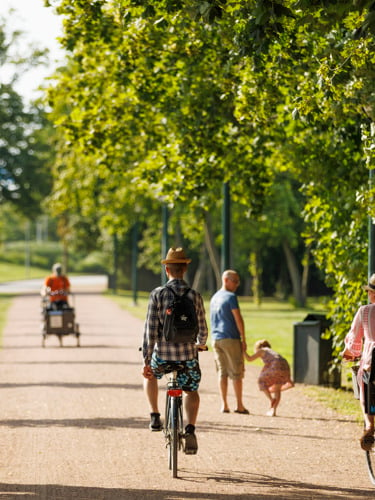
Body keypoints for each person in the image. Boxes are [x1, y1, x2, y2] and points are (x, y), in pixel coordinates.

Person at [142, 247, 208, 454]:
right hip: (187, 357)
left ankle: (154, 415)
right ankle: (190, 429)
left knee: (150, 374)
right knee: (191, 390)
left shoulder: (158, 294)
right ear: (185, 269)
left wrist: (146, 359)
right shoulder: (195, 296)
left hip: (162, 355)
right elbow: (203, 329)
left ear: (167, 270)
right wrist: (201, 343)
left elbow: (150, 330)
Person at [343, 273, 375, 451]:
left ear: (372, 294)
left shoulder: (365, 311)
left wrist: (349, 353)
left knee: (364, 384)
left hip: (372, 361)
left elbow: (354, 339)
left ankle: (369, 424)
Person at [210, 269, 249, 414]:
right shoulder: (231, 297)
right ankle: (239, 405)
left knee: (222, 372)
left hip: (216, 339)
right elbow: (238, 318)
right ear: (226, 280)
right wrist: (243, 339)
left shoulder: (214, 297)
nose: (237, 285)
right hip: (230, 338)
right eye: (235, 281)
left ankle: (224, 404)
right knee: (236, 372)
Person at [245, 340, 294, 416]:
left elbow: (249, 359)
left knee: (261, 381)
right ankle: (273, 410)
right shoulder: (271, 352)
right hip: (284, 365)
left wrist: (243, 351)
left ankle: (271, 399)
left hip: (275, 365)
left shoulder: (261, 350)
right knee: (277, 388)